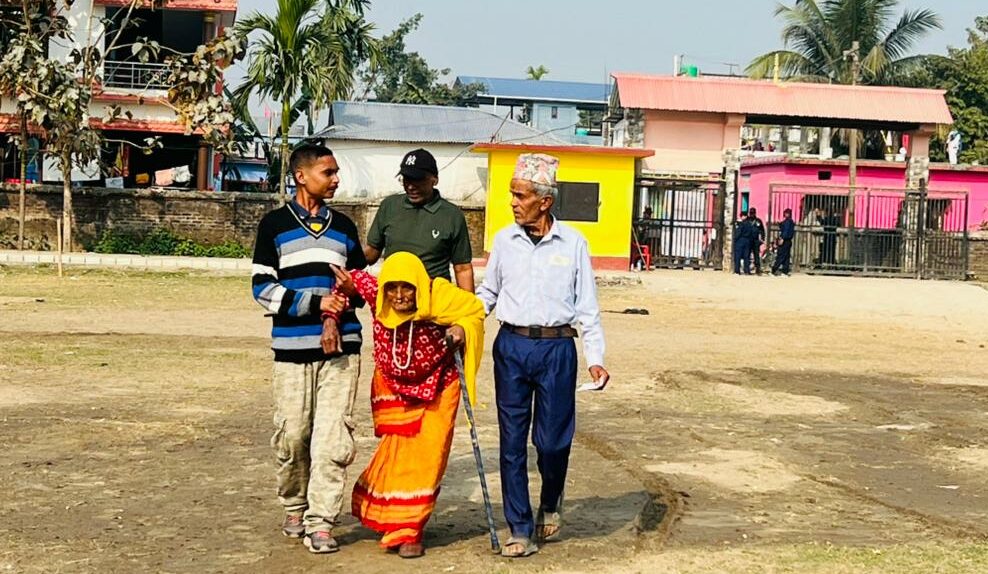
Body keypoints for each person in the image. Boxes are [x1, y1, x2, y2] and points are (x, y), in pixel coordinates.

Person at [476, 153, 609, 558]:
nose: (513, 203)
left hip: (557, 349)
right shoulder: (504, 241)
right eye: (512, 194)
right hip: (511, 347)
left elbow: (587, 306)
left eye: (521, 196)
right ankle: (519, 528)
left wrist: (595, 357)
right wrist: (464, 320)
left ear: (545, 201)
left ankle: (550, 499)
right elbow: (488, 293)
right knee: (512, 442)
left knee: (551, 442)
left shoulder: (573, 243)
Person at [327, 253, 485, 559]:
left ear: (419, 287)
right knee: (397, 456)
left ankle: (410, 529)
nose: (399, 296)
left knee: (427, 459)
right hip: (394, 386)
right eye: (392, 288)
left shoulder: (438, 297)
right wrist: (331, 319)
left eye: (407, 288)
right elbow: (346, 282)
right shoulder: (376, 292)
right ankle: (393, 518)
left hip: (439, 385)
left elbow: (474, 310)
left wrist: (461, 328)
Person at [250, 144, 367, 554]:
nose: (336, 179)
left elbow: (360, 286)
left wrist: (346, 298)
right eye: (327, 172)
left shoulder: (345, 228)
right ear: (301, 176)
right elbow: (262, 288)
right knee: (294, 435)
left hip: (342, 351)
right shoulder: (274, 225)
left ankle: (321, 522)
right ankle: (295, 506)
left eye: (336, 172)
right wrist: (318, 305)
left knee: (332, 439)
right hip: (292, 349)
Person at [364, 148, 475, 291]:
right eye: (406, 179)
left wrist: (469, 303)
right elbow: (371, 253)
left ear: (434, 180)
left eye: (417, 180)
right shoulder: (389, 206)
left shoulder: (452, 215)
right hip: (393, 298)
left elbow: (463, 269)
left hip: (434, 299)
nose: (410, 186)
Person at [772, 208, 796, 276]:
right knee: (786, 257)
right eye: (785, 213)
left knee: (781, 255)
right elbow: (783, 228)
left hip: (785, 240)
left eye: (787, 213)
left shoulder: (788, 221)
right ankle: (785, 271)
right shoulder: (789, 221)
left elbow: (785, 231)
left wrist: (782, 238)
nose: (786, 214)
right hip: (788, 241)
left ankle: (774, 269)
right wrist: (780, 224)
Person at [747, 207, 766, 275]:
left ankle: (757, 269)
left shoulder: (758, 221)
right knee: (747, 254)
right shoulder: (747, 220)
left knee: (756, 255)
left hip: (756, 240)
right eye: (751, 213)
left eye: (753, 213)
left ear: (755, 213)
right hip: (748, 240)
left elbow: (762, 230)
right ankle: (747, 269)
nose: (752, 214)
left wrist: (762, 239)